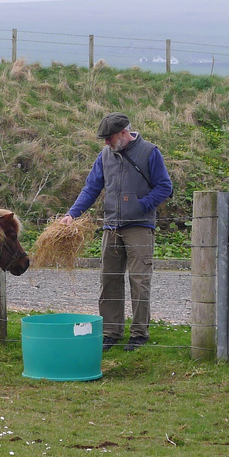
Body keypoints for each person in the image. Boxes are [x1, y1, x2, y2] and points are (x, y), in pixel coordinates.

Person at [59, 112, 174, 351]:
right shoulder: (104, 156)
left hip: (140, 227)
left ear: (124, 133)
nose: (106, 143)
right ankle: (111, 332)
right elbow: (91, 188)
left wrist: (141, 205)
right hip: (111, 226)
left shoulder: (150, 152)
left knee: (140, 281)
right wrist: (72, 214)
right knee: (108, 280)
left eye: (109, 138)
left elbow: (165, 187)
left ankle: (139, 334)